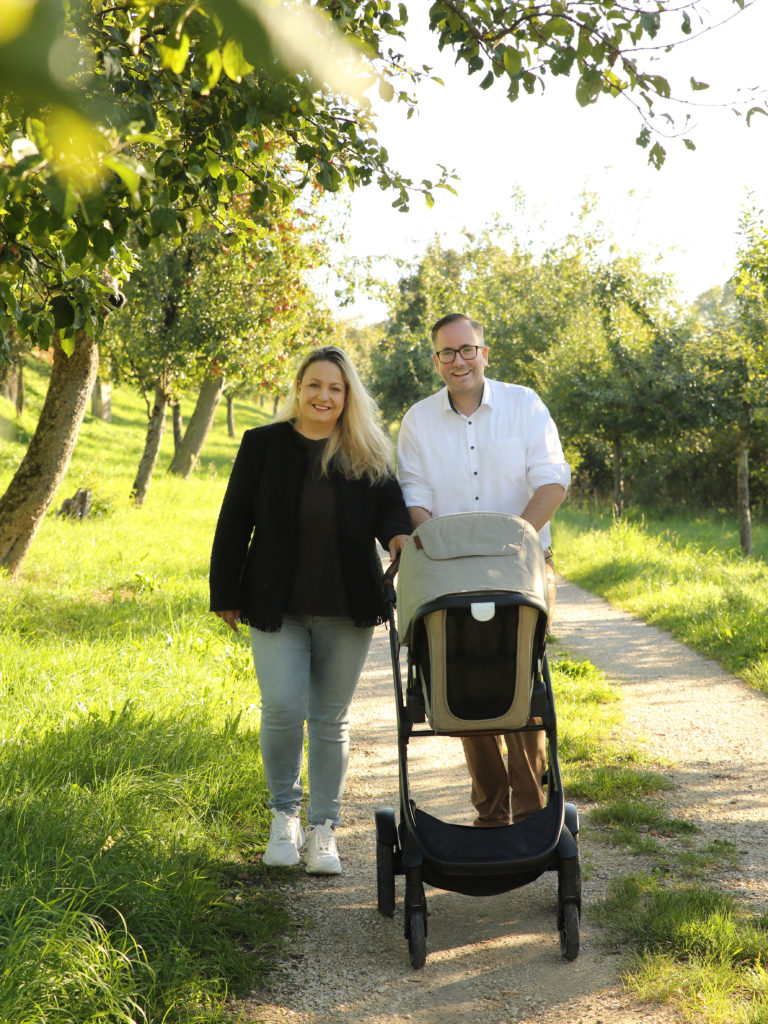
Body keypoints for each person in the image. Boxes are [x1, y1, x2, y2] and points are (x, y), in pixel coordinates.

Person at [210, 346, 411, 873]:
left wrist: (396, 536)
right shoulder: (263, 445)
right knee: (281, 708)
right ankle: (284, 817)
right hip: (278, 606)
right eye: (315, 385)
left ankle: (324, 828)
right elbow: (234, 520)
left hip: (348, 607)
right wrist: (225, 592)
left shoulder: (366, 450)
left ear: (348, 397)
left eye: (336, 388)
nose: (324, 396)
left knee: (329, 720)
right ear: (298, 388)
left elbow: (391, 507)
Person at [397, 313, 571, 827]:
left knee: (520, 681)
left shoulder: (524, 405)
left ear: (484, 352)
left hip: (521, 567)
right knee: (464, 682)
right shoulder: (418, 420)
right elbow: (415, 499)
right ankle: (491, 812)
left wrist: (512, 541)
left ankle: (533, 813)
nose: (459, 361)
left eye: (467, 349)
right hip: (452, 574)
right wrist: (442, 549)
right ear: (435, 361)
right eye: (447, 353)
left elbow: (552, 482)